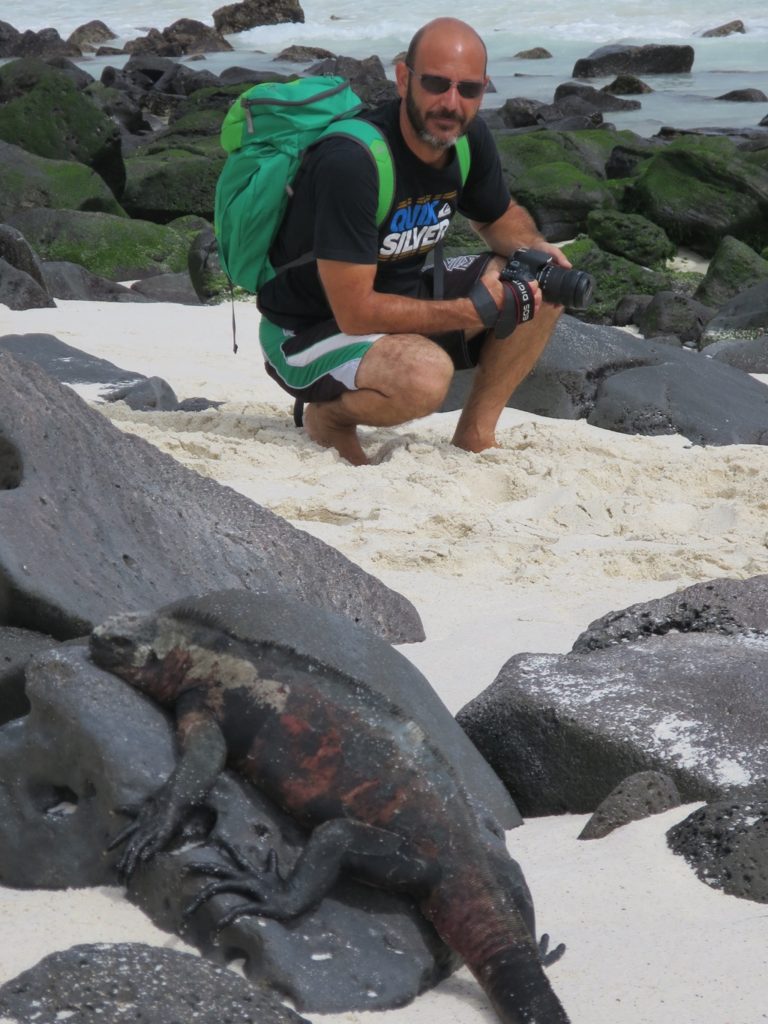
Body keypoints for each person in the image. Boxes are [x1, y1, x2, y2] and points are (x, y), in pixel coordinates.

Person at [256, 17, 570, 465]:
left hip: (397, 309)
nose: (451, 103)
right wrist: (470, 311)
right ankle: (330, 417)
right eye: (437, 83)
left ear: (484, 89)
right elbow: (355, 310)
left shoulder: (465, 138)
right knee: (425, 376)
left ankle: (475, 435)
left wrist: (535, 248)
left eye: (467, 90)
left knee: (542, 281)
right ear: (404, 78)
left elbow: (498, 218)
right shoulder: (353, 162)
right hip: (307, 332)